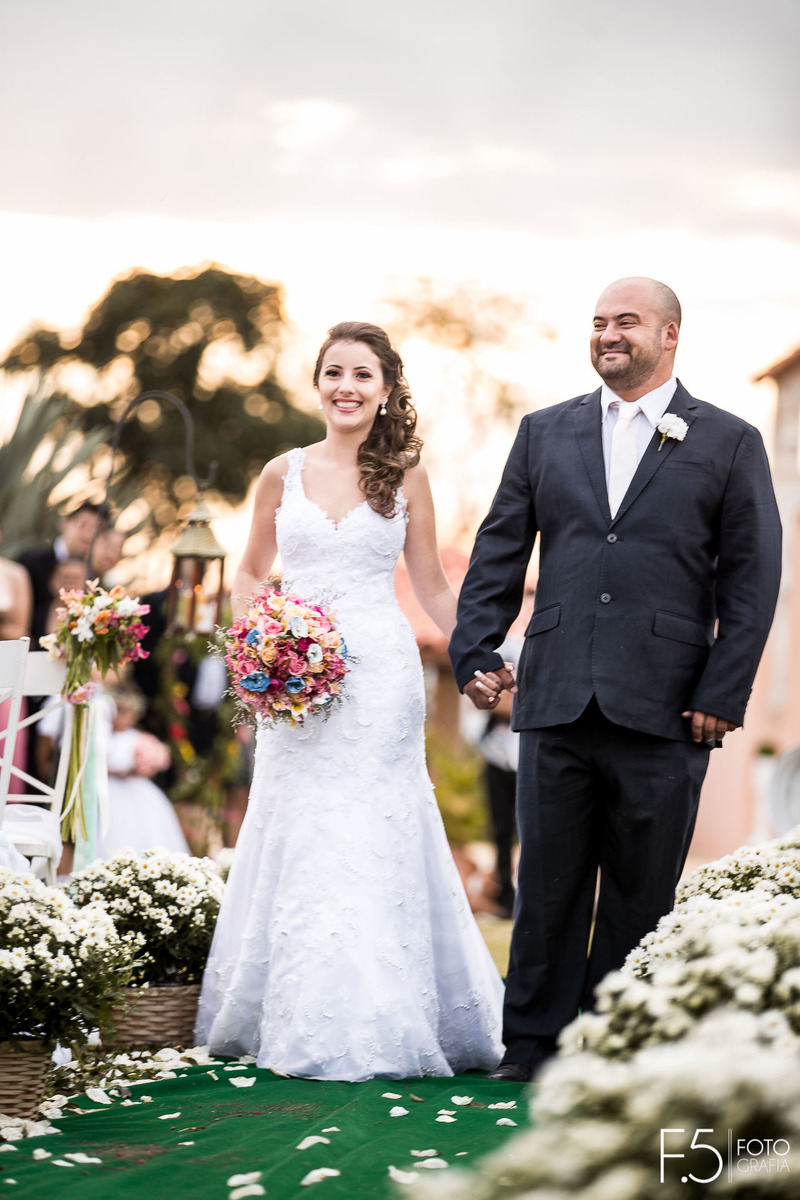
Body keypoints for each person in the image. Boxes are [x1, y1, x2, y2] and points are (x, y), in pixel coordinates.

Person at [449, 277, 782, 1083]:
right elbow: (499, 548)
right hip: (555, 695)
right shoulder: (544, 432)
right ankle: (531, 1048)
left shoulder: (731, 440)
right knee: (546, 886)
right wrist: (475, 650)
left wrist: (722, 691)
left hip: (670, 705)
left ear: (670, 335)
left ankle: (618, 1047)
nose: (607, 334)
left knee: (641, 891)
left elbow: (752, 578)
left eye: (626, 322)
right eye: (598, 322)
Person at [196, 321, 503, 1081]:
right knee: (299, 826)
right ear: (318, 384)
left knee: (372, 828)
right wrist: (262, 643)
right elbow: (249, 572)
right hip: (292, 685)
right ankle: (290, 1008)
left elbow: (431, 585)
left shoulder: (407, 477)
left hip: (380, 682)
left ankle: (384, 1010)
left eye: (363, 375)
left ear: (386, 389)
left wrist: (479, 654)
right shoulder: (281, 473)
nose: (347, 387)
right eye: (334, 372)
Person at [16, 502, 105, 642]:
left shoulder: (96, 575)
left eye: (96, 530)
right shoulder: (30, 562)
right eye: (83, 525)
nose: (88, 535)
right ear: (64, 523)